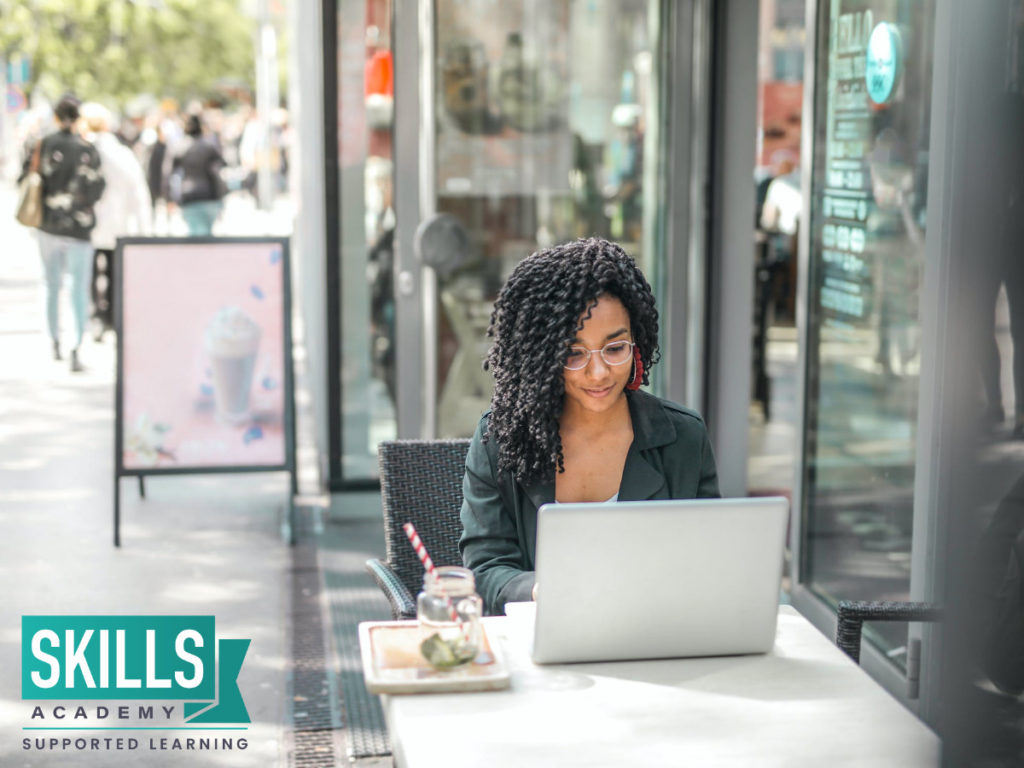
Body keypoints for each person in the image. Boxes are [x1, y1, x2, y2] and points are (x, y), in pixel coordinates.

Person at [459, 238, 720, 615]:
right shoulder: (500, 440)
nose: (598, 373)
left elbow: (709, 564)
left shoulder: (683, 438)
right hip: (541, 643)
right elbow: (484, 571)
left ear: (638, 343)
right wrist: (539, 589)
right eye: (573, 353)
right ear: (542, 357)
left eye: (615, 349)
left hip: (657, 637)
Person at [19, 93, 105, 371]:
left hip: (49, 225)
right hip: (79, 228)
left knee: (51, 284)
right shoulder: (87, 150)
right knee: (78, 288)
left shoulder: (42, 145)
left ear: (56, 117)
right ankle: (76, 345)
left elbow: (26, 178)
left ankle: (54, 339)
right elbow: (97, 188)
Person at [80, 103, 153, 338]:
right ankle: (110, 315)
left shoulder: (83, 149)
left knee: (89, 270)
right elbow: (137, 190)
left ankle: (95, 315)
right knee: (113, 269)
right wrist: (144, 227)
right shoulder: (119, 151)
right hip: (116, 222)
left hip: (88, 222)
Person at [170, 113, 226, 235]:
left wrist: (170, 197)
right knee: (205, 235)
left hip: (190, 196)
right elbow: (219, 169)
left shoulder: (180, 147)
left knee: (196, 235)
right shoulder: (208, 146)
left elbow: (170, 173)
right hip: (208, 195)